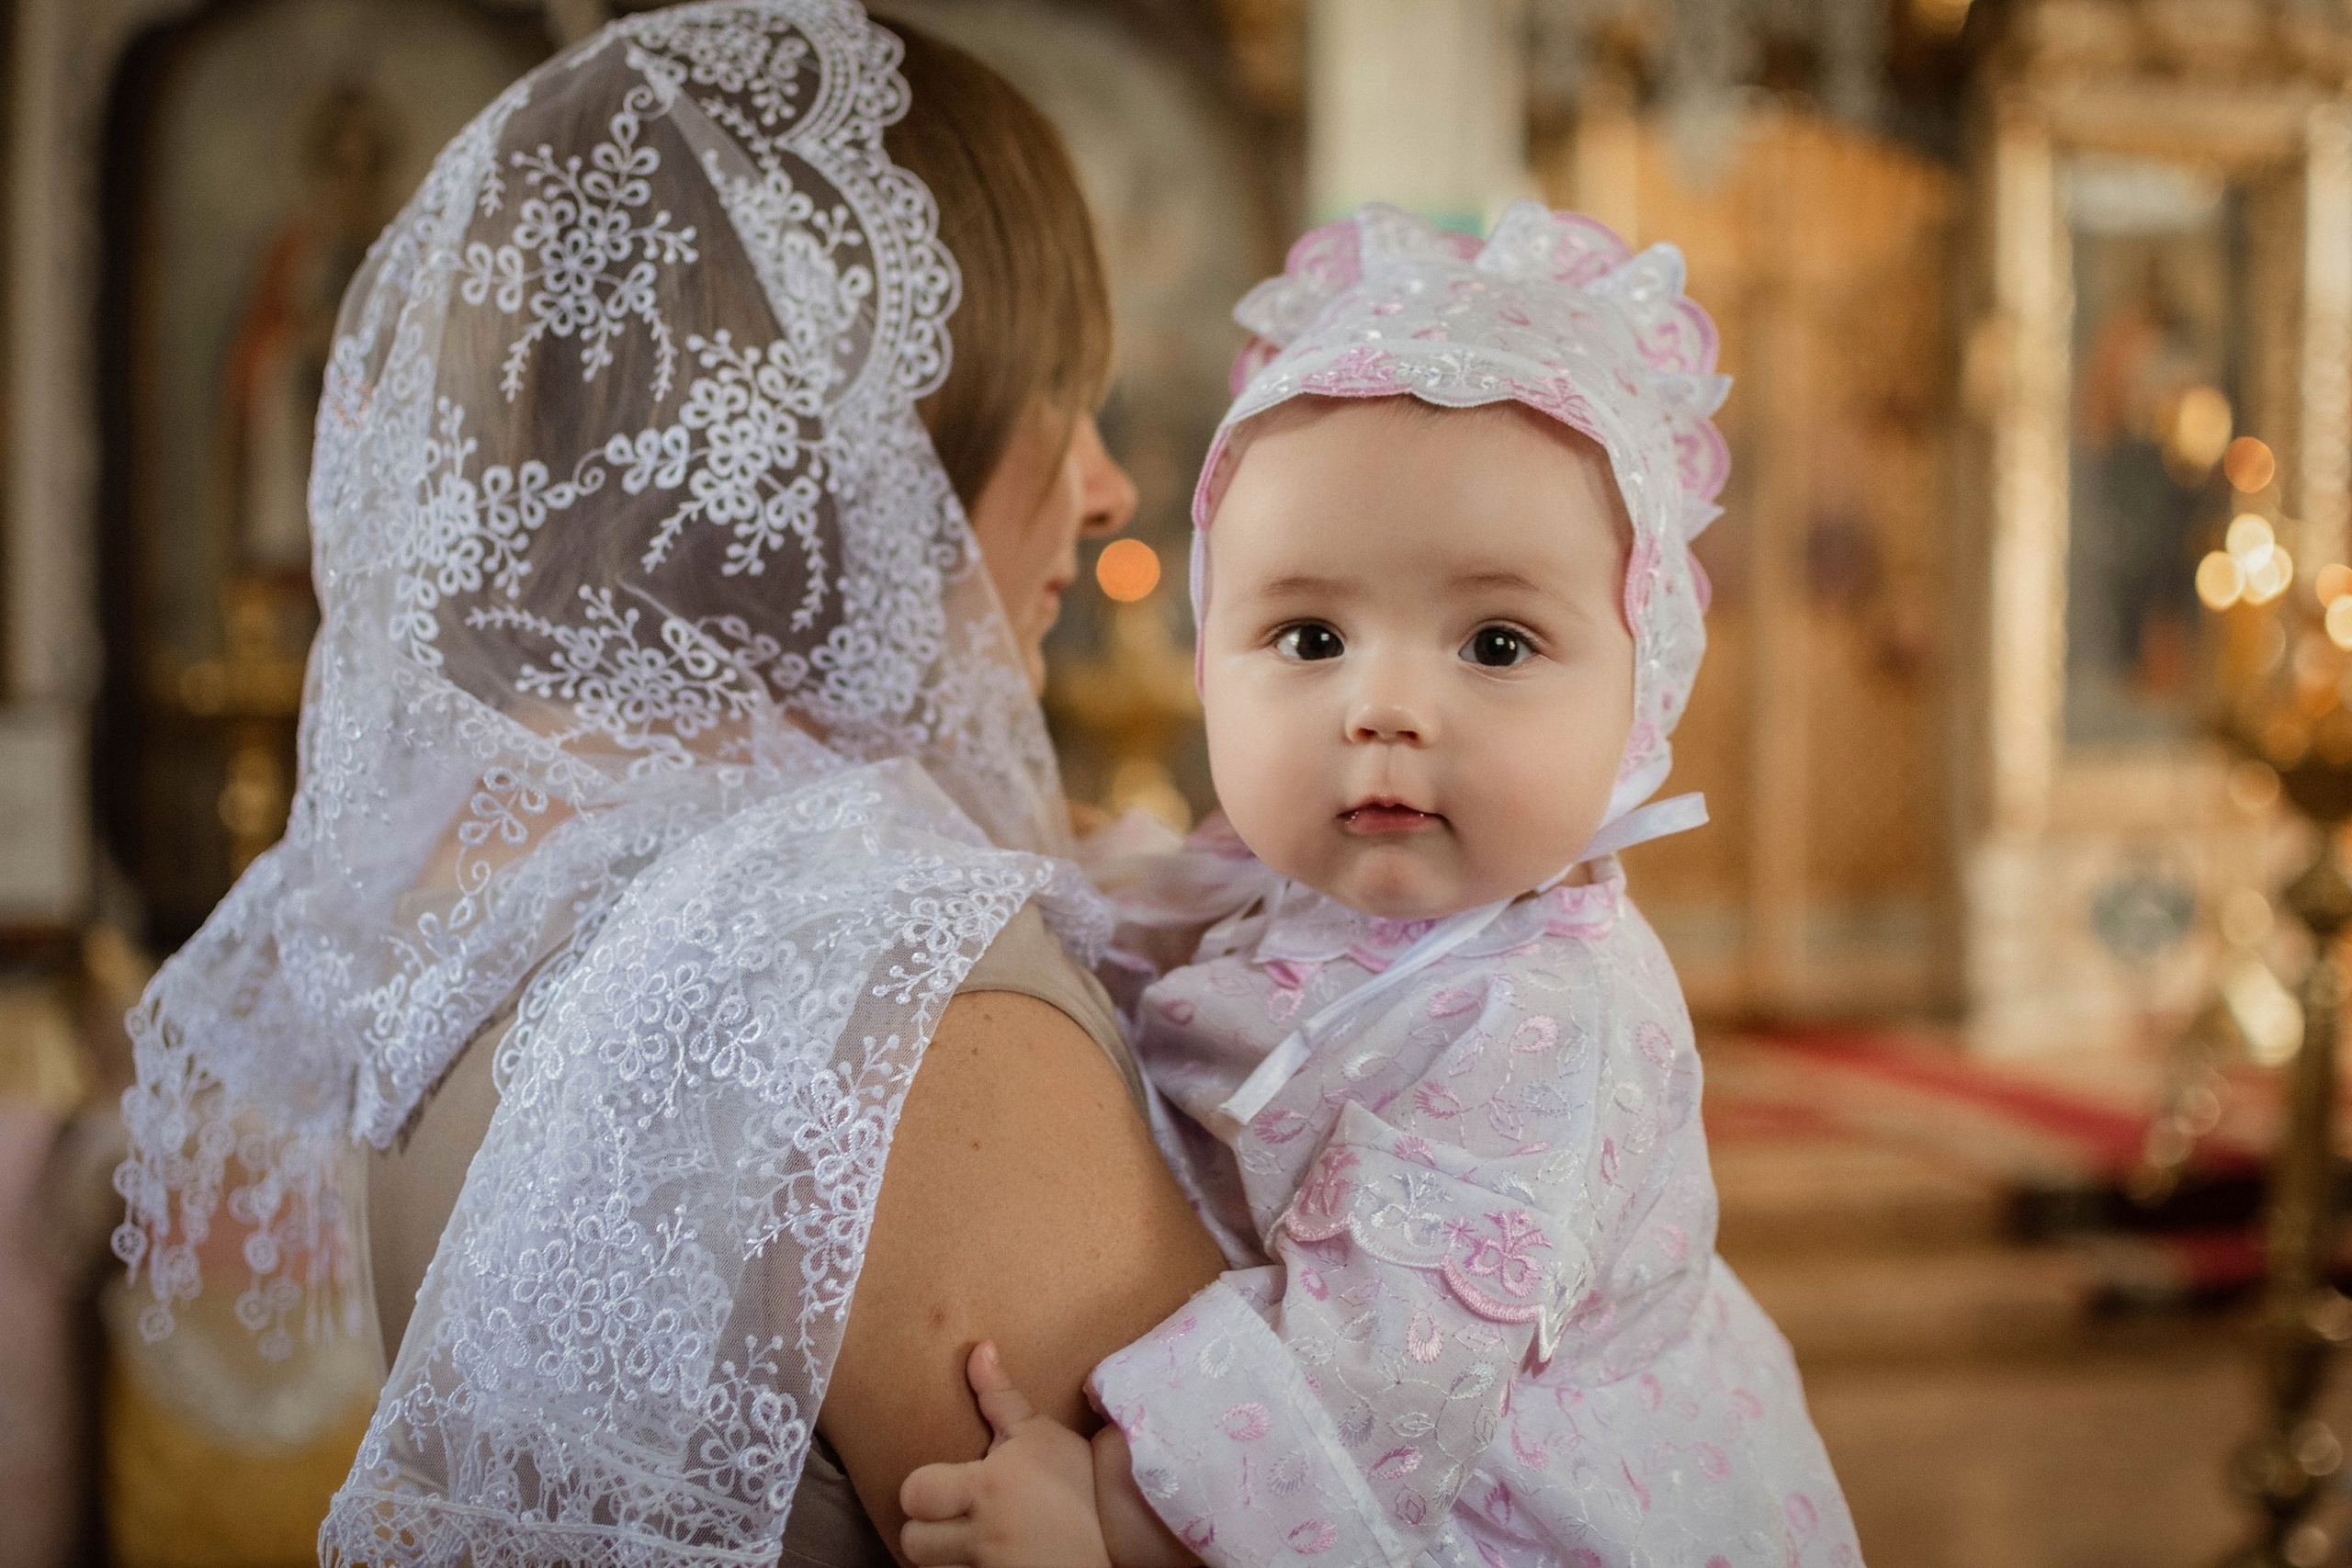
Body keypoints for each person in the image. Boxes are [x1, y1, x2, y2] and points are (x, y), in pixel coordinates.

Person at [110, 6, 1226, 1564]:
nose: (1105, 483)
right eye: (1065, 391)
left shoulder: (476, 902)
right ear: (880, 425)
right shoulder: (908, 1014)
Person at [898, 204, 1861, 1567]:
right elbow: (1162, 907)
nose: (1387, 706)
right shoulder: (1310, 884)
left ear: (1644, 689)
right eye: (1309, 634)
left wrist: (1114, 1513)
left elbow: (1387, 1384)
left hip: (1507, 1487)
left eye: (1497, 642)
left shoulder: (1537, 1018)